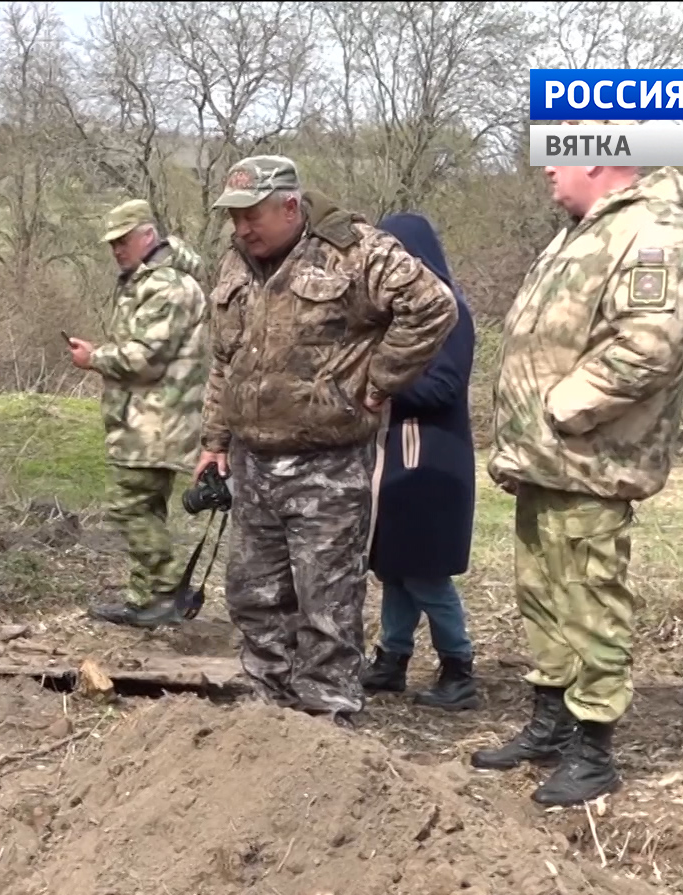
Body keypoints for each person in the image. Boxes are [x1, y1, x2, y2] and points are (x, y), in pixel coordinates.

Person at [473, 156, 683, 806]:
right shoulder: (582, 230)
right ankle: (550, 722)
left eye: (558, 149)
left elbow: (650, 346)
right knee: (544, 596)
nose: (547, 167)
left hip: (590, 458)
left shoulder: (657, 227)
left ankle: (594, 747)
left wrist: (562, 408)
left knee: (589, 599)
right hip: (547, 459)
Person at [196, 155, 458, 725]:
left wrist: (380, 380)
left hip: (327, 463)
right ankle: (266, 711)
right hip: (253, 461)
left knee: (326, 600)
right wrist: (214, 440)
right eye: (234, 217)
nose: (241, 228)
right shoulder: (236, 262)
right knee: (253, 595)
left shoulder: (355, 250)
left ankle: (325, 716)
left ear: (290, 206)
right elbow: (224, 360)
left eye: (252, 215)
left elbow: (433, 306)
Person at [65, 199, 212, 629]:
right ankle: (143, 599)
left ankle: (167, 590)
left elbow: (146, 358)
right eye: (112, 243)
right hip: (146, 417)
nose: (116, 249)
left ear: (148, 235)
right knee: (147, 508)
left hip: (156, 421)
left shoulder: (167, 285)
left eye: (123, 240)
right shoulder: (149, 280)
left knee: (127, 505)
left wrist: (95, 358)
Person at [361, 212, 480, 711]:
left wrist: (379, 383)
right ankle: (392, 658)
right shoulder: (399, 314)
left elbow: (443, 387)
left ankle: (458, 666)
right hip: (398, 458)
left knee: (425, 572)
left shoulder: (448, 312)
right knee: (396, 566)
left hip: (430, 460)